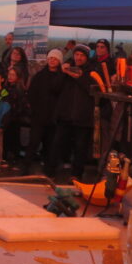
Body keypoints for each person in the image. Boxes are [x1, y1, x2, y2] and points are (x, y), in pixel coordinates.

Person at [49, 44, 95, 180]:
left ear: (86, 57)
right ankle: (50, 171)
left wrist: (78, 77)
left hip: (83, 117)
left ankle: (76, 174)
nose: (78, 58)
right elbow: (54, 88)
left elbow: (92, 89)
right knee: (57, 143)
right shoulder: (66, 69)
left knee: (80, 147)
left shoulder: (91, 71)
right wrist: (63, 74)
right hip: (66, 116)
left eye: (82, 55)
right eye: (76, 55)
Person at [27, 48, 66, 173]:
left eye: (55, 59)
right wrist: (34, 109)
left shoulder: (63, 77)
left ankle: (49, 170)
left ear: (59, 61)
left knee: (50, 144)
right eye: (50, 58)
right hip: (39, 116)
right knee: (33, 142)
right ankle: (26, 167)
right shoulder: (40, 76)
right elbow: (32, 93)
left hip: (54, 117)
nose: (52, 60)